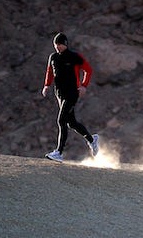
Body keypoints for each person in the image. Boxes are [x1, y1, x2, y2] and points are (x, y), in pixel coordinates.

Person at [41, 32, 99, 162]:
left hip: (72, 93)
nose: (58, 46)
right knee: (71, 122)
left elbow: (88, 70)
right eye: (56, 44)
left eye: (60, 44)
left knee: (61, 120)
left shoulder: (74, 57)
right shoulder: (53, 57)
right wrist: (46, 85)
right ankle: (92, 139)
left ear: (65, 44)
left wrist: (84, 85)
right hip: (59, 94)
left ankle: (59, 152)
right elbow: (49, 72)